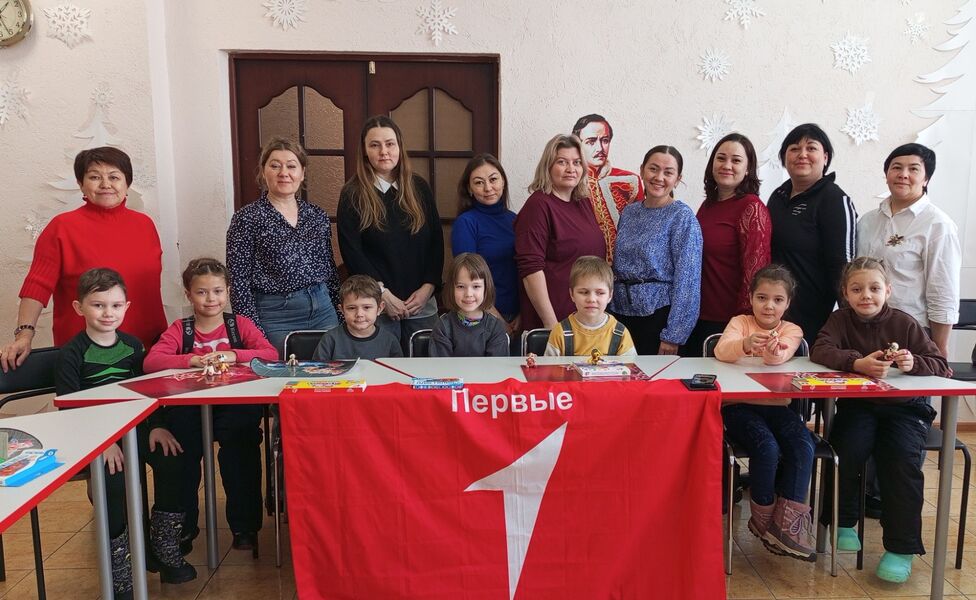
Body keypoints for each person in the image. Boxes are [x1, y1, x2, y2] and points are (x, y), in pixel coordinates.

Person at [56, 268, 195, 598]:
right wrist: (103, 443)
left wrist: (157, 425)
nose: (108, 313)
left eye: (116, 305)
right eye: (98, 305)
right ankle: (120, 567)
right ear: (79, 308)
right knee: (113, 481)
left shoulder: (133, 346)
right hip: (96, 437)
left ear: (126, 307)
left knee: (173, 460)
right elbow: (69, 409)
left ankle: (164, 548)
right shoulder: (71, 354)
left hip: (137, 428)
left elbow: (147, 392)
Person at [812, 257, 950, 584]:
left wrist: (913, 362)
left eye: (874, 288)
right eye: (857, 289)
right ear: (845, 293)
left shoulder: (905, 323)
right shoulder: (839, 320)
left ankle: (901, 548)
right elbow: (820, 350)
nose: (866, 296)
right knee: (846, 449)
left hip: (906, 410)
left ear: (887, 290)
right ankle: (843, 521)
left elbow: (940, 364)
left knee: (900, 461)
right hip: (859, 407)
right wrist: (856, 362)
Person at [144, 258, 278, 556]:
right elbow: (151, 361)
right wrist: (189, 360)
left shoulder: (239, 325)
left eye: (217, 291)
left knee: (241, 450)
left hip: (234, 406)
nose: (210, 299)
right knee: (181, 453)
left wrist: (235, 355)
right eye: (201, 292)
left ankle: (245, 527)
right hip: (190, 407)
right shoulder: (181, 329)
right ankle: (184, 527)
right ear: (188, 294)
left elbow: (270, 354)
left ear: (228, 291)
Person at [1, 147, 166, 372]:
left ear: (127, 183)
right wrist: (24, 335)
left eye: (114, 177)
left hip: (147, 348)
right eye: (95, 177)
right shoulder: (62, 227)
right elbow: (37, 286)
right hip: (87, 354)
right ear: (81, 184)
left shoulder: (145, 225)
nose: (105, 184)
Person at [713, 265, 814, 561]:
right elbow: (721, 351)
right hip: (738, 408)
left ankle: (787, 526)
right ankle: (763, 519)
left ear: (787, 303)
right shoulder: (739, 322)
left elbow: (780, 357)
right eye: (762, 298)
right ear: (751, 298)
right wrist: (744, 344)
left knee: (804, 446)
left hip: (777, 407)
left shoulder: (792, 330)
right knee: (767, 447)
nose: (769, 306)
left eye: (777, 300)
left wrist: (774, 352)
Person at [338, 116, 443, 354]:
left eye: (389, 144)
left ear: (399, 147)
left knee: (427, 368)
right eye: (375, 145)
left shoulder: (419, 187)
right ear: (365, 151)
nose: (383, 151)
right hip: (378, 305)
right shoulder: (352, 194)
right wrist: (382, 294)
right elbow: (352, 251)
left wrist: (428, 288)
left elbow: (436, 242)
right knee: (382, 370)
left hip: (421, 303)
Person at [226, 137, 341, 355]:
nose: (284, 173)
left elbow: (330, 270)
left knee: (331, 372)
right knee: (282, 373)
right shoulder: (246, 219)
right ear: (263, 172)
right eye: (275, 166)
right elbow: (238, 283)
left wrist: (340, 313)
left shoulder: (316, 215)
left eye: (291, 166)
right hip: (276, 317)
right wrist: (253, 332)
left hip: (323, 311)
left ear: (302, 173)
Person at [857, 143, 961, 358]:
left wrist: (940, 348)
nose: (903, 174)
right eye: (896, 167)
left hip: (911, 332)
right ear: (886, 175)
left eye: (913, 169)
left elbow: (943, 291)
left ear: (926, 179)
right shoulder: (867, 221)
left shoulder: (937, 224)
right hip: (862, 328)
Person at [768, 123, 857, 346]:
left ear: (825, 157)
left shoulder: (834, 199)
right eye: (794, 149)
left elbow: (844, 267)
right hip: (773, 312)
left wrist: (851, 327)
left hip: (813, 320)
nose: (802, 154)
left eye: (811, 148)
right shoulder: (777, 196)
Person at [610, 145, 702, 355]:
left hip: (657, 317)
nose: (659, 177)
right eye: (653, 169)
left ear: (677, 179)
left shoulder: (682, 217)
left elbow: (688, 280)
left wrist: (674, 334)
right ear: (642, 170)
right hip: (619, 315)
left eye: (668, 172)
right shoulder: (629, 212)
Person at [685, 133, 771, 357]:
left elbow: (755, 274)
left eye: (736, 160)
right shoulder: (708, 205)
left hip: (729, 323)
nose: (727, 165)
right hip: (697, 317)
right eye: (721, 158)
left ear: (748, 168)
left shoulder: (751, 208)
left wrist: (743, 325)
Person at [515, 134, 606, 331]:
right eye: (562, 162)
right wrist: (551, 324)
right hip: (554, 320)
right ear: (548, 166)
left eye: (576, 162)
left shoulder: (583, 203)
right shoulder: (538, 205)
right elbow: (531, 269)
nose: (571, 169)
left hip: (586, 319)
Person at [451, 154, 519, 339]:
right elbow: (467, 278)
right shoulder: (466, 223)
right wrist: (497, 320)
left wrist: (523, 313)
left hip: (518, 317)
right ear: (469, 189)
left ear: (503, 181)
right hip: (481, 316)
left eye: (493, 179)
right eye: (479, 182)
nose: (488, 188)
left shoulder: (515, 220)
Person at [571, 114, 642, 261]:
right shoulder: (570, 183)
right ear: (577, 144)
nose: (600, 148)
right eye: (591, 141)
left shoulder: (630, 181)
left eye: (605, 140)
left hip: (624, 267)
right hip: (581, 267)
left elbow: (640, 229)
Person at [544, 256, 636, 357]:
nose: (591, 299)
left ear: (610, 295)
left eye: (600, 293)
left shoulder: (621, 333)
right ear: (572, 294)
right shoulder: (560, 332)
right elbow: (549, 367)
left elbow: (630, 366)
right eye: (584, 292)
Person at [430, 253, 509, 357]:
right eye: (461, 286)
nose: (468, 294)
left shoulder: (495, 327)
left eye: (476, 286)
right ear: (451, 289)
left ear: (486, 288)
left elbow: (497, 365)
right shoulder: (443, 327)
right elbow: (440, 366)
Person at [312, 275, 402, 361]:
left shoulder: (390, 340)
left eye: (367, 307)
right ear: (342, 310)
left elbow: (398, 370)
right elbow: (317, 369)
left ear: (379, 308)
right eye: (352, 308)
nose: (359, 314)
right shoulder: (330, 339)